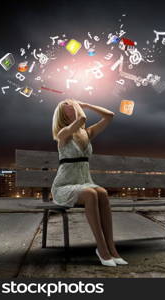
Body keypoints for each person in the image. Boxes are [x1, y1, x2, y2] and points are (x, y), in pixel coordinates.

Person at [51, 99, 127, 267]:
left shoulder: (86, 133)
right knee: (91, 194)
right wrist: (80, 109)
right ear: (63, 114)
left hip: (85, 182)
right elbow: (82, 119)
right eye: (68, 106)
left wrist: (88, 105)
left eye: (73, 105)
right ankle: (102, 249)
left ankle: (112, 249)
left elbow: (109, 116)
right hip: (64, 186)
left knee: (102, 192)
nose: (72, 106)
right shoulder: (63, 133)